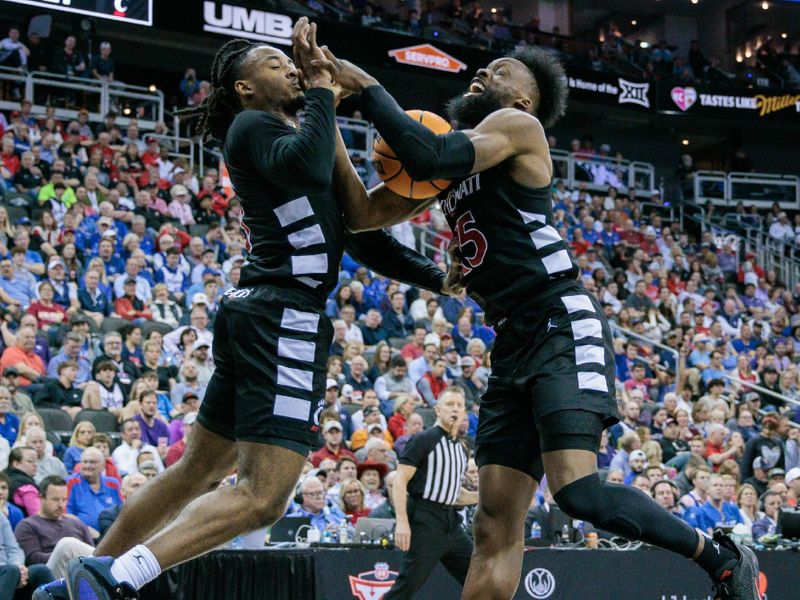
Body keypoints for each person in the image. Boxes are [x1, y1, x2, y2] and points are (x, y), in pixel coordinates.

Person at [323, 39, 760, 599]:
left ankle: (718, 554)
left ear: (525, 101)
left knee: (577, 491)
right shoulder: (456, 169)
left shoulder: (517, 129)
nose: (484, 70)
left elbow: (430, 155)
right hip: (512, 337)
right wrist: (327, 105)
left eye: (501, 70)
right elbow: (360, 214)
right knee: (492, 524)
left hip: (559, 318)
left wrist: (364, 84)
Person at [50, 22, 455, 599]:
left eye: (291, 63)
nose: (291, 67)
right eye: (274, 63)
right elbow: (309, 166)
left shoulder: (297, 129)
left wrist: (437, 276)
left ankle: (88, 572)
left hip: (260, 312)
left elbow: (358, 228)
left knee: (199, 470)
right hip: (281, 316)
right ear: (243, 87)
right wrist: (321, 89)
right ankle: (119, 576)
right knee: (264, 496)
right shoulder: (252, 126)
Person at [385, 387, 476, 599]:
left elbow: (453, 493)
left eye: (459, 405)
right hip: (425, 519)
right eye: (449, 404)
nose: (455, 409)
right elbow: (400, 480)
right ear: (437, 409)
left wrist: (485, 497)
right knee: (407, 585)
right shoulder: (424, 439)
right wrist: (402, 522)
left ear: (464, 412)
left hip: (452, 523)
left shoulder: (461, 448)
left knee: (479, 576)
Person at [15, 476, 94, 580]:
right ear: (41, 498)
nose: (61, 505)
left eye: (64, 500)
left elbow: (94, 556)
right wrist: (65, 554)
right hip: (50, 576)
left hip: (82, 573)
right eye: (55, 499)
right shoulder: (27, 525)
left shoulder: (77, 524)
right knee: (66, 545)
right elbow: (33, 559)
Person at [65, 448, 121, 533]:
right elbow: (66, 515)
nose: (88, 466)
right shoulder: (71, 482)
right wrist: (85, 529)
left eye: (92, 462)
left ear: (103, 466)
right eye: (85, 462)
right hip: (81, 534)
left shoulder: (113, 484)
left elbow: (120, 512)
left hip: (110, 535)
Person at [97, 474, 148, 538]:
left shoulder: (155, 513)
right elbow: (114, 542)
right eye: (135, 485)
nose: (141, 489)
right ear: (123, 491)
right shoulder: (108, 516)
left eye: (145, 485)